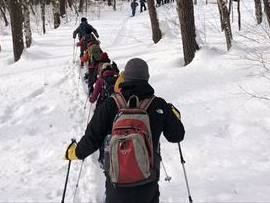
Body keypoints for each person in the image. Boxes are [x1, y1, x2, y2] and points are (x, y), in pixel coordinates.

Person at [64, 58, 185, 203]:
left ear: (124, 77)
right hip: (148, 183)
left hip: (116, 183)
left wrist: (75, 152)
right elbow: (177, 136)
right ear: (147, 78)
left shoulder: (111, 104)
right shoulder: (159, 105)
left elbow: (93, 137)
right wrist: (174, 116)